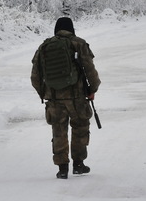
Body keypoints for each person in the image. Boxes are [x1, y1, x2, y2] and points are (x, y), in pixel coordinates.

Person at [31, 17, 101, 179]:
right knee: (80, 127)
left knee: (58, 131)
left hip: (54, 99)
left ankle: (62, 168)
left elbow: (35, 76)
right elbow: (90, 70)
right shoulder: (79, 44)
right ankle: (78, 164)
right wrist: (92, 89)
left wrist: (45, 94)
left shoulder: (44, 47)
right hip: (77, 97)